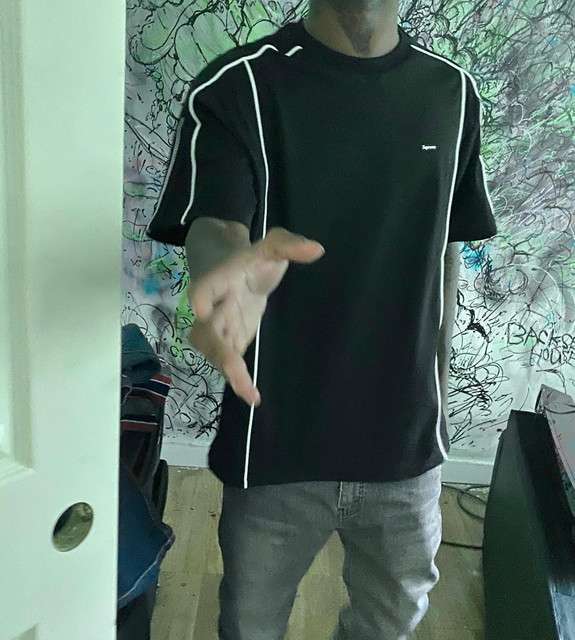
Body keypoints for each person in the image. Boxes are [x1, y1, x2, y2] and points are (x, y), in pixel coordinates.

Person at [146, 0, 497, 636]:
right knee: (250, 622)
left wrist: (439, 396)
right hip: (275, 442)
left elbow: (446, 248)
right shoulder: (238, 87)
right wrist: (225, 277)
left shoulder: (453, 93)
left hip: (405, 443)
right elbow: (217, 224)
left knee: (391, 620)